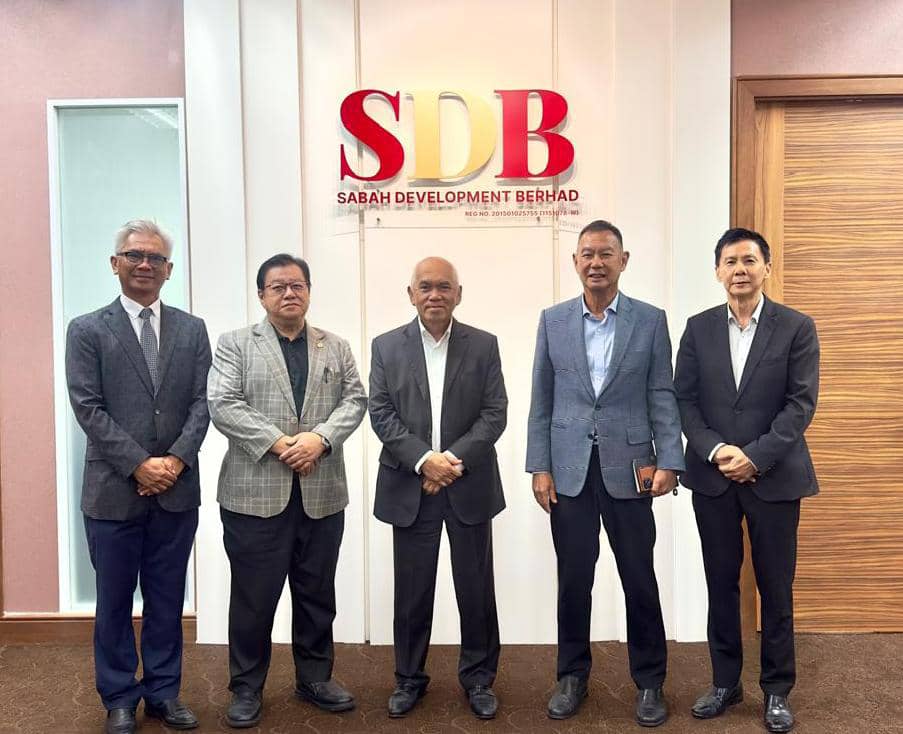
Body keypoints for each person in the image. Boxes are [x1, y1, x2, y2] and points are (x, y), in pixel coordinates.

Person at [526, 219, 684, 727]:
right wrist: (539, 466)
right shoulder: (553, 320)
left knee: (639, 577)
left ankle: (650, 681)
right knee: (574, 579)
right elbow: (541, 400)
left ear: (623, 260)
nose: (596, 262)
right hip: (569, 470)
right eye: (587, 254)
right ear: (576, 262)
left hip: (632, 468)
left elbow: (662, 393)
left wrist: (670, 459)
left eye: (606, 254)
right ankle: (571, 676)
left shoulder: (650, 320)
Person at [207, 253, 367, 728]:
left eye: (297, 285)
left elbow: (355, 399)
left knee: (317, 593)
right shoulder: (235, 344)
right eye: (278, 287)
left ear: (309, 291)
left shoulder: (334, 346)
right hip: (254, 495)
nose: (289, 293)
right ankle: (246, 687)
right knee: (254, 598)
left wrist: (320, 439)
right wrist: (280, 443)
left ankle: (314, 678)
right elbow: (223, 403)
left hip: (321, 492)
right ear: (262, 296)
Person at [65, 220, 211, 734]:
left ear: (169, 270)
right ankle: (119, 697)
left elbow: (203, 402)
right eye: (134, 255)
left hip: (176, 489)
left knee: (167, 600)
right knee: (114, 602)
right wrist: (139, 464)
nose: (145, 264)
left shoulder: (192, 329)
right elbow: (88, 407)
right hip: (112, 492)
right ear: (115, 263)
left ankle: (164, 693)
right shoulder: (87, 329)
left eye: (156, 258)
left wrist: (174, 461)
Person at [674, 228, 819, 733]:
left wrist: (754, 457)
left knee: (776, 586)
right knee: (720, 583)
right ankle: (725, 682)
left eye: (749, 260)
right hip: (713, 477)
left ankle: (777, 690)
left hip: (773, 477)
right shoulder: (698, 329)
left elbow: (800, 405)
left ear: (766, 268)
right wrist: (716, 450)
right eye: (730, 261)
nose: (740, 269)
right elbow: (684, 399)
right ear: (718, 271)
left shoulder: (796, 327)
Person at [369, 257, 507, 720]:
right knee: (412, 591)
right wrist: (424, 461)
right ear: (410, 294)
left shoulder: (483, 345)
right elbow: (381, 413)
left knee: (476, 589)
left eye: (444, 287)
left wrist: (450, 462)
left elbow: (495, 413)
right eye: (425, 286)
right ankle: (409, 678)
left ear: (458, 294)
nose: (434, 294)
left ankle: (479, 678)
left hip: (468, 484)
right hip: (411, 486)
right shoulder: (386, 346)